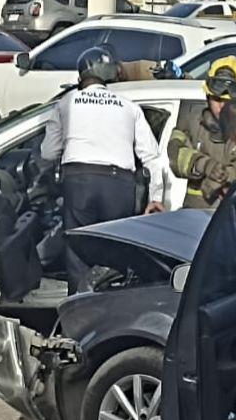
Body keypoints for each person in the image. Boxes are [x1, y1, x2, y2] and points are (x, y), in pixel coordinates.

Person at [40, 46, 168, 294]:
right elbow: (152, 157)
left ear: (80, 78)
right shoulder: (128, 106)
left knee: (78, 252)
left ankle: (78, 312)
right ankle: (109, 312)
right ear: (112, 75)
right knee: (114, 252)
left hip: (80, 182)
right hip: (119, 185)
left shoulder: (67, 103)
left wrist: (45, 175)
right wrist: (156, 198)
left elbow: (47, 153)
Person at [167, 56, 236, 209]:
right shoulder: (192, 121)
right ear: (208, 96)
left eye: (228, 101)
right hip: (197, 215)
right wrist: (203, 165)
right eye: (217, 100)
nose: (222, 107)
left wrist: (229, 175)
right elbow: (174, 154)